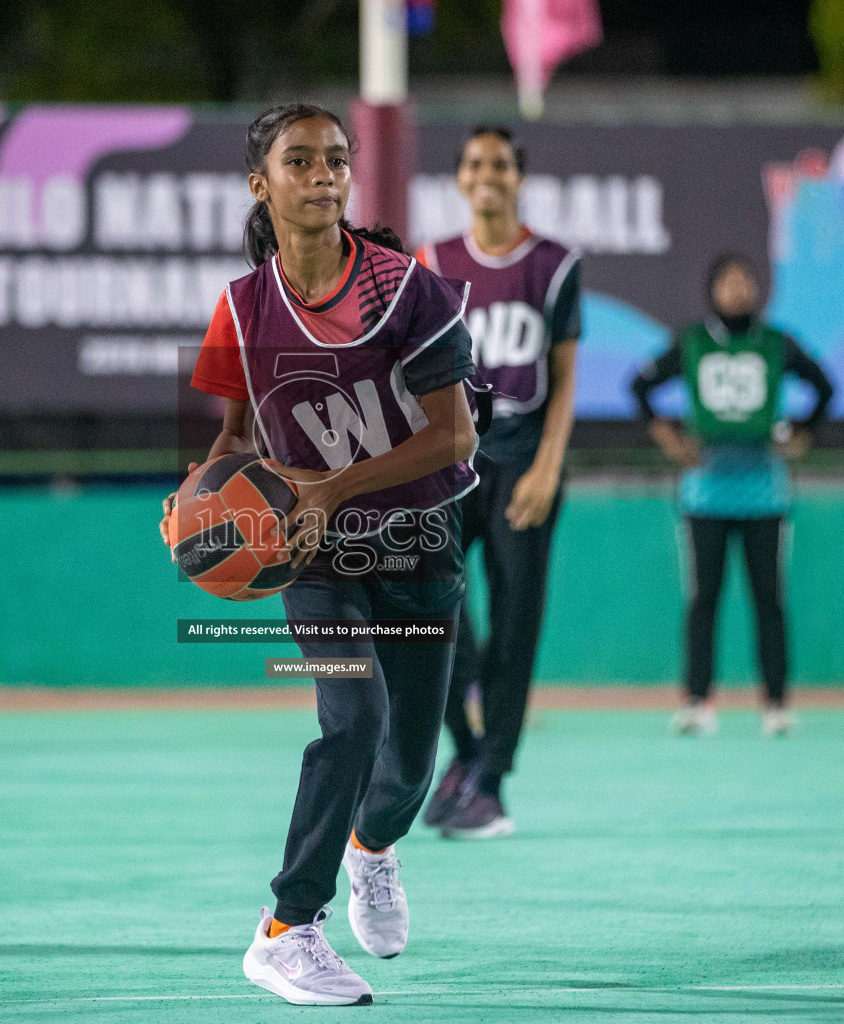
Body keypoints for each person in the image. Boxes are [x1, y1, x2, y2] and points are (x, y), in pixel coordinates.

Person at [162, 103, 478, 1006]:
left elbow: (454, 435)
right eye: (300, 161)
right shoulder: (241, 305)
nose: (325, 174)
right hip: (314, 555)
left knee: (410, 765)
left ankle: (372, 850)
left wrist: (334, 485)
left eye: (337, 159)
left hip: (418, 541)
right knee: (354, 718)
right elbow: (235, 437)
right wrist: (196, 505)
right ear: (262, 184)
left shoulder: (403, 288)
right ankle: (288, 927)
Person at [415, 126, 581, 840]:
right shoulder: (432, 262)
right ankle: (469, 753)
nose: (489, 174)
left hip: (521, 456)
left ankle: (491, 781)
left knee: (518, 625)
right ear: (460, 179)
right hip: (450, 461)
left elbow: (568, 379)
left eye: (502, 164)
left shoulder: (554, 263)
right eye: (476, 163)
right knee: (435, 611)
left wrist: (547, 465)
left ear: (519, 178)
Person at [629, 255, 832, 738]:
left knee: (769, 599)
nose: (739, 289)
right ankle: (698, 702)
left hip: (765, 494)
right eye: (729, 281)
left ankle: (776, 704)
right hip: (706, 496)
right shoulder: (692, 342)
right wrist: (670, 439)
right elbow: (640, 386)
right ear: (712, 290)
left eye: (747, 280)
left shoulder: (777, 343)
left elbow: (825, 387)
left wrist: (802, 432)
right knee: (704, 600)